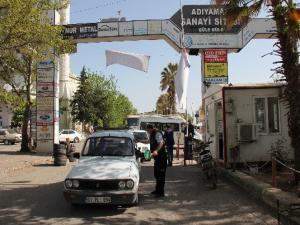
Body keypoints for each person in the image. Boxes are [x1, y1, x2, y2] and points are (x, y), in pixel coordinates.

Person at [146, 123, 167, 197]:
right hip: (157, 158)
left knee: (161, 175)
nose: (147, 131)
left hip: (161, 157)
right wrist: (141, 141)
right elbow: (149, 142)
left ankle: (161, 192)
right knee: (156, 174)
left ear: (151, 128)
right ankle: (157, 190)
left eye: (148, 130)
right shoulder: (152, 134)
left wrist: (156, 151)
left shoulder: (157, 133)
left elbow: (161, 143)